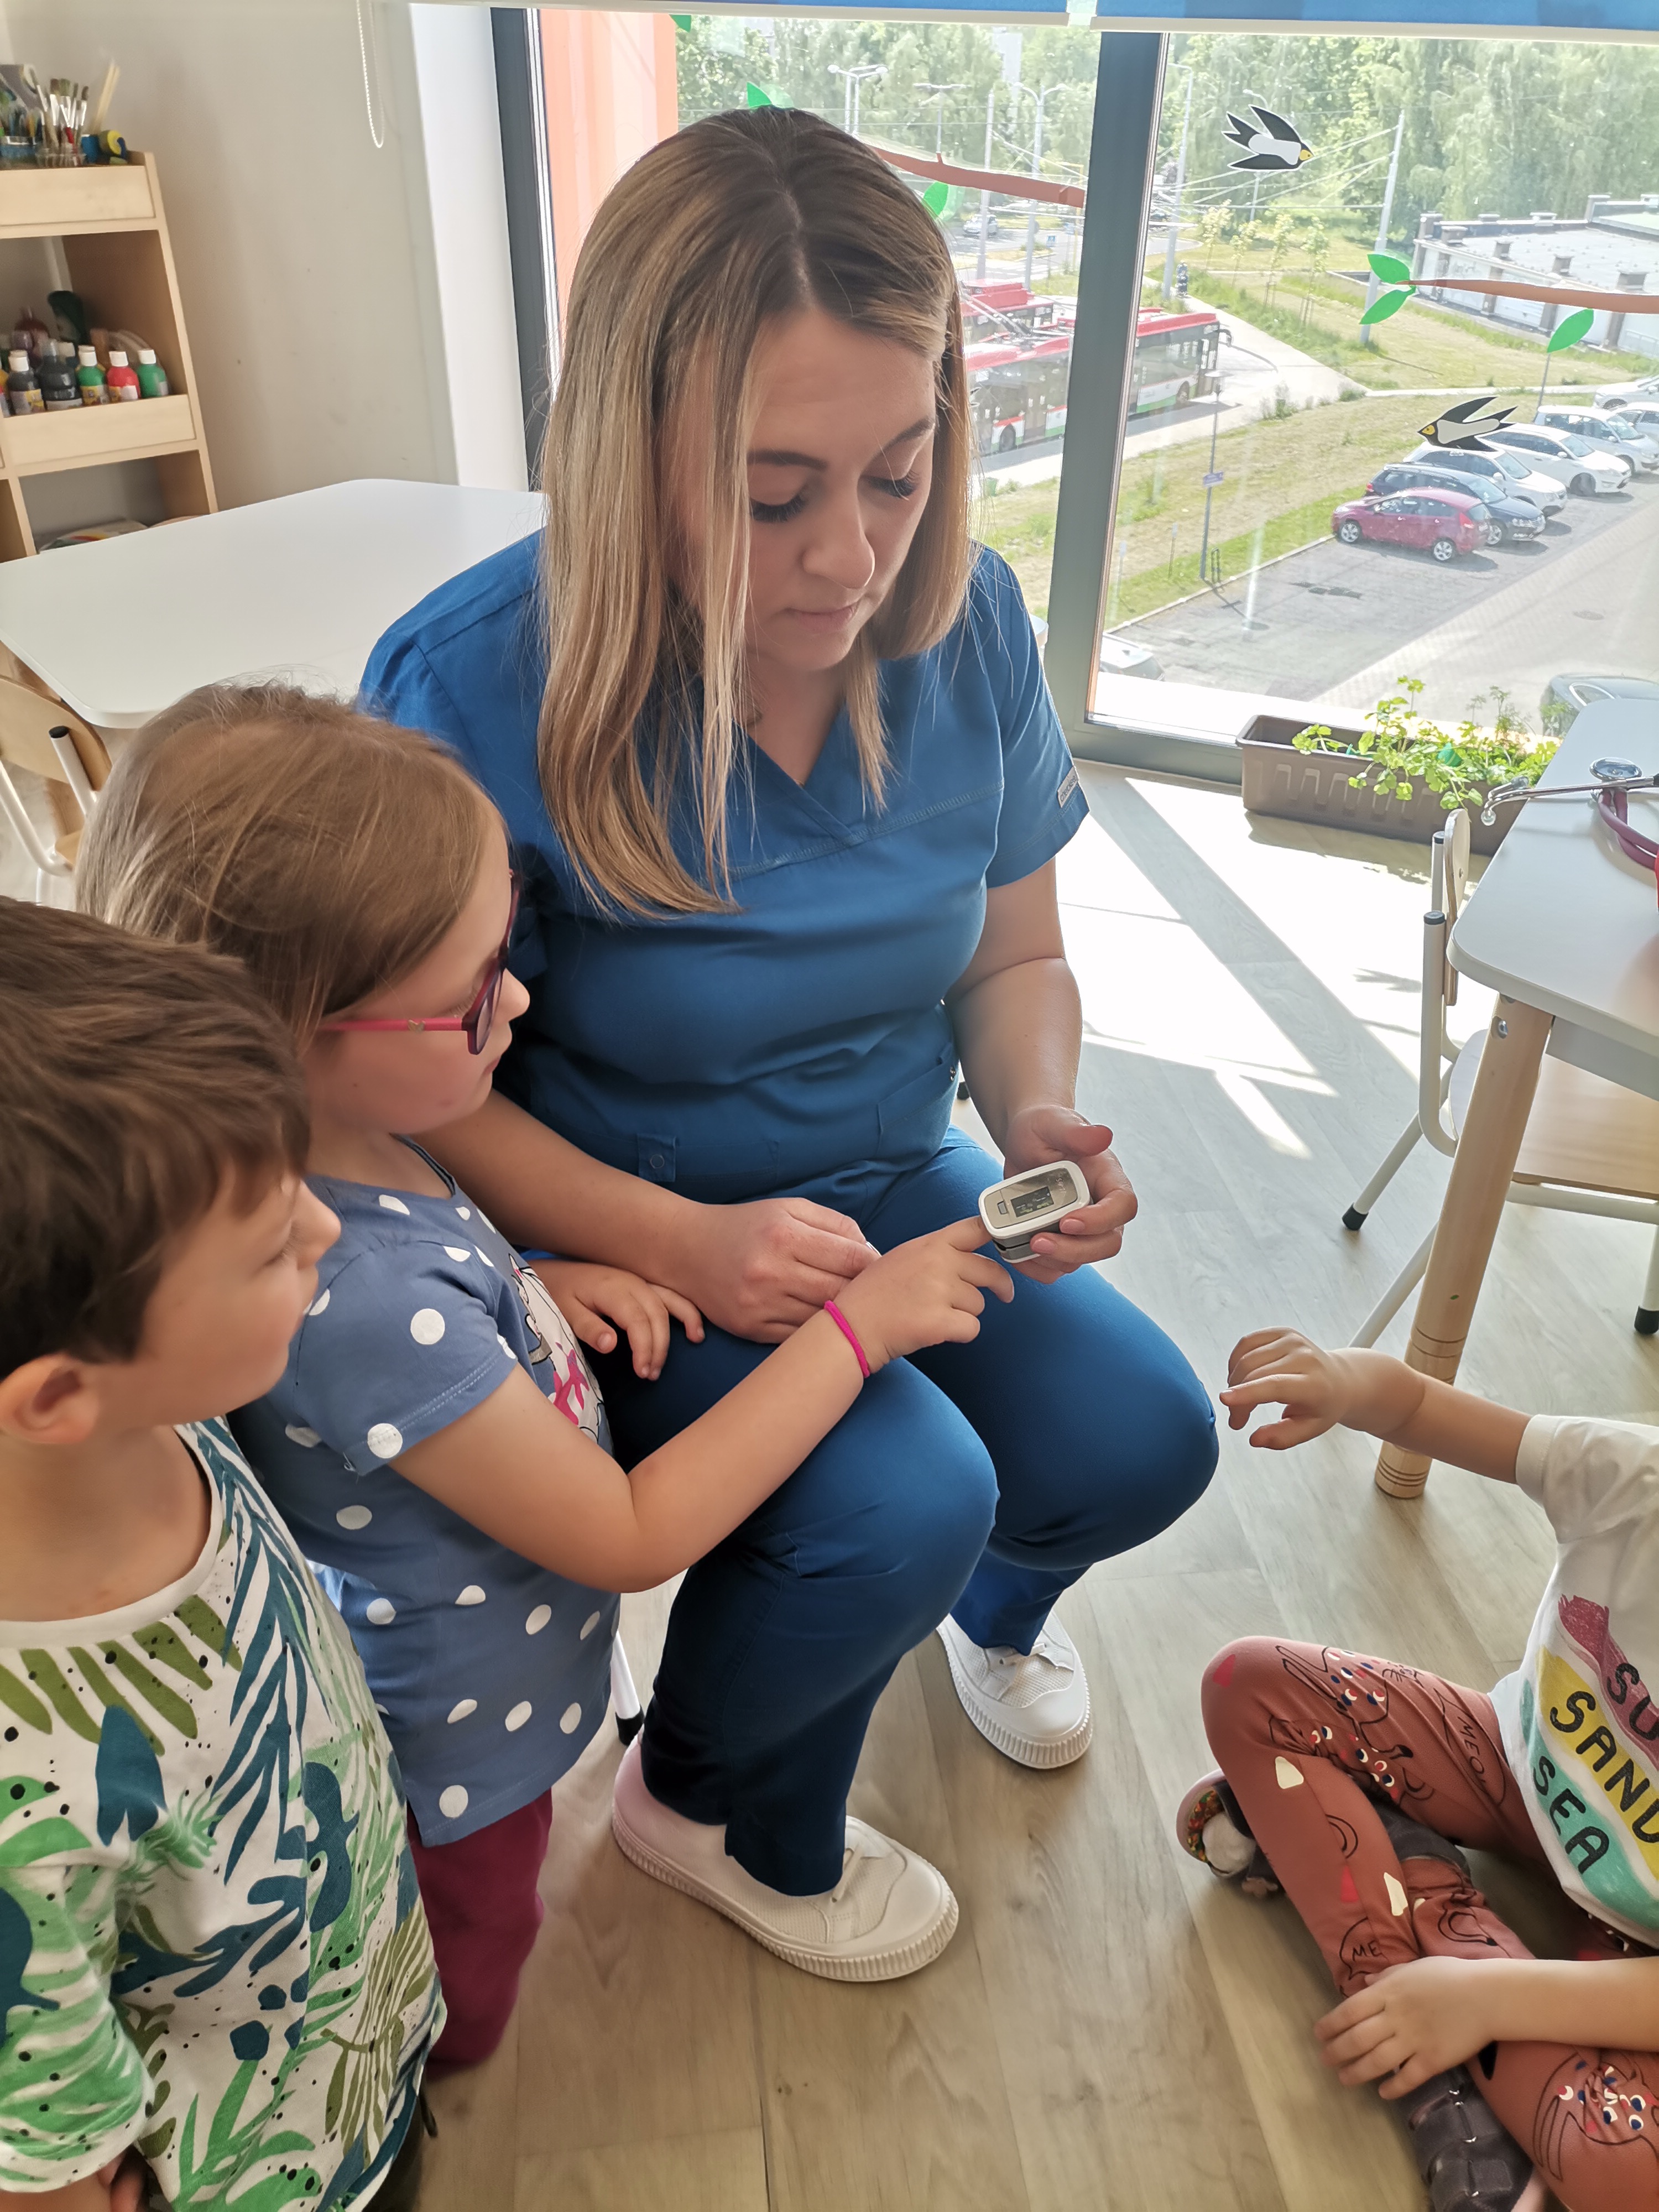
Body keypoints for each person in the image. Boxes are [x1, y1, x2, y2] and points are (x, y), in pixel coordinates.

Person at [360, 104, 1218, 1977]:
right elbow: (403, 1087)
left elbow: (1013, 948)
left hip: (890, 1166)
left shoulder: (967, 620)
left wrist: (1039, 1107)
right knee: (904, 1496)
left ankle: (968, 1614)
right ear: (629, 457)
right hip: (617, 1219)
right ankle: (704, 1801)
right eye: (772, 497)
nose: (851, 559)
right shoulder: (469, 690)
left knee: (1145, 1439)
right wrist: (676, 1241)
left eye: (900, 474)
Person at [77, 686, 1016, 2026]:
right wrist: (858, 1332)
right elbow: (634, 1533)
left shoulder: (349, 1144)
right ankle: (418, 2067)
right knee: (468, 1972)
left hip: (496, 1691)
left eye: (504, 952)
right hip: (459, 1756)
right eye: (470, 996)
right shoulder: (356, 1290)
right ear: (291, 1032)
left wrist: (531, 1288)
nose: (516, 996)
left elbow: (418, 1302)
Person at [0, 901, 441, 2212]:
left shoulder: (161, 1408)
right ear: (57, 1392)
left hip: (352, 2037)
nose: (324, 1230)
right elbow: (38, 2139)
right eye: (266, 1246)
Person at [1181, 1326, 1659, 2212]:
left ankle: (1385, 1873)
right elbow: (1421, 1405)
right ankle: (1431, 2024)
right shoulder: (1637, 1476)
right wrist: (1349, 1384)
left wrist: (1490, 1999)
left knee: (1632, 2174)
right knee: (1243, 1683)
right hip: (1510, 1766)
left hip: (1643, 1944)